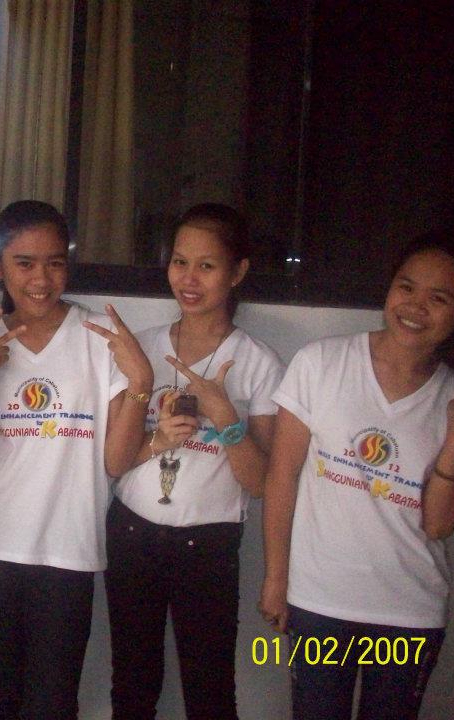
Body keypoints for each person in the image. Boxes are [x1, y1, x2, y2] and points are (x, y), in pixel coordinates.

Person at [259, 231, 454, 720]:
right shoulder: (320, 362)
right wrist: (276, 578)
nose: (415, 306)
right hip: (319, 602)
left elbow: (439, 525)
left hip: (409, 612)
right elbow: (281, 476)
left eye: (438, 298)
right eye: (406, 287)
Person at [0, 200, 153, 719]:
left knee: (54, 704)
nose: (41, 279)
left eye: (54, 263)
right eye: (24, 263)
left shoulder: (99, 339)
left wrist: (141, 380)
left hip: (68, 551)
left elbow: (116, 461)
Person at [104, 203, 283, 720]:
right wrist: (158, 438)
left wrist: (224, 414)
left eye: (207, 266)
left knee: (210, 693)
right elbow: (116, 462)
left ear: (238, 272)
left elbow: (259, 482)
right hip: (133, 533)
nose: (188, 278)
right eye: (180, 262)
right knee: (132, 687)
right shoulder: (143, 350)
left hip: (208, 545)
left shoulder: (258, 362)